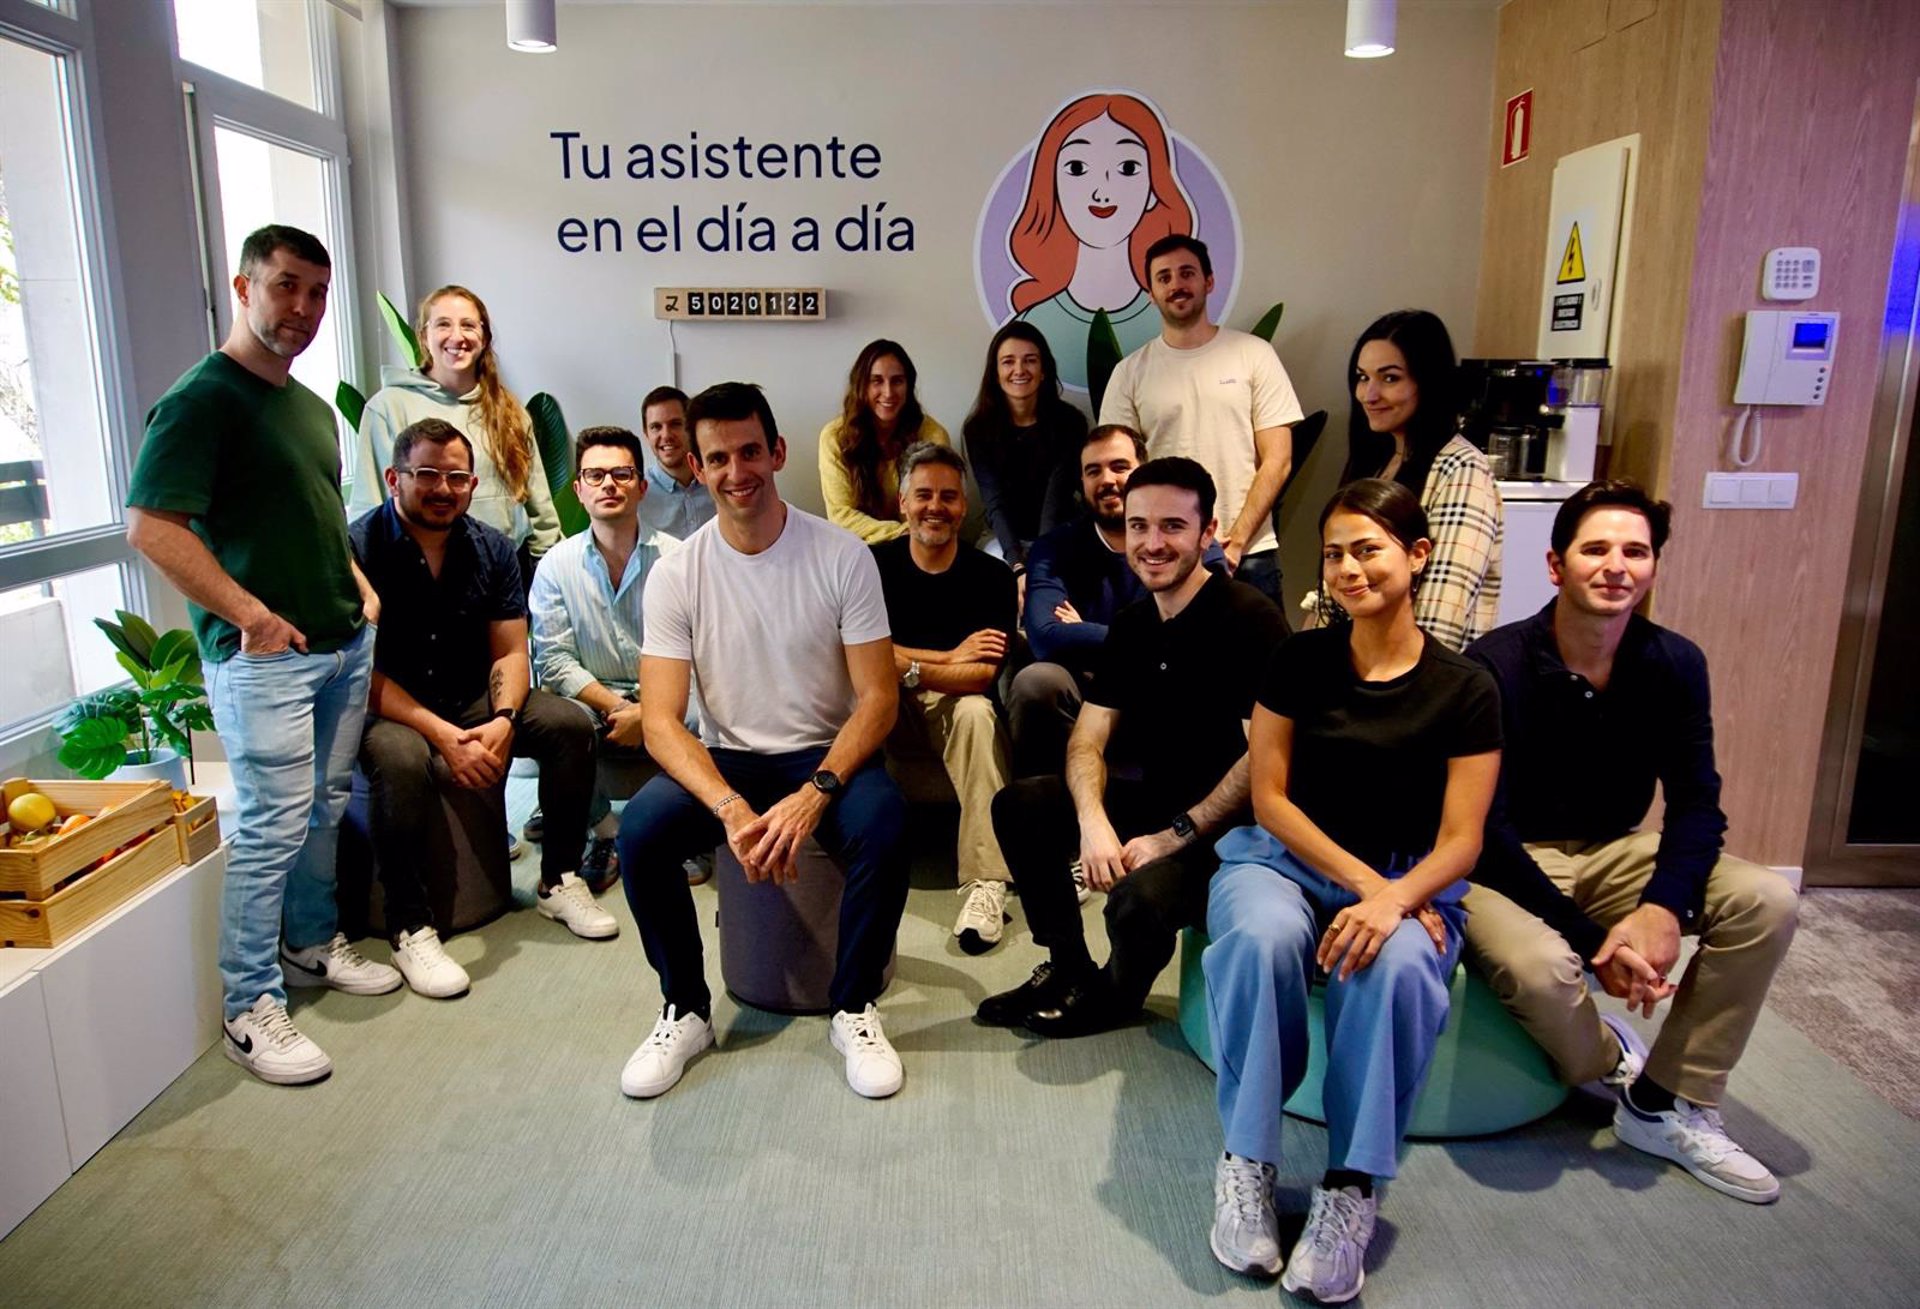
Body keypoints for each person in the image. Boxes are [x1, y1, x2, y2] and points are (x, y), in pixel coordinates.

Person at [1203, 478, 1501, 1302]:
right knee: (1260, 938)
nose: (1347, 568)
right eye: (1334, 553)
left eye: (1367, 549)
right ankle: (1248, 1161)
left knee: (1397, 965)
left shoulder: (1466, 688)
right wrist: (1372, 886)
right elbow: (1270, 798)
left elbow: (1463, 839)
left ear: (1418, 554)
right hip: (1284, 859)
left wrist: (1397, 896)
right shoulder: (1298, 659)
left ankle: (1351, 1185)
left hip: (1409, 875)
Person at [1464, 479, 1800, 1204]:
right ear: (1556, 565)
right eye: (1596, 549)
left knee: (1766, 899)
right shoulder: (1496, 663)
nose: (1616, 565)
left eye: (1635, 551)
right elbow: (1484, 831)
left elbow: (1697, 803)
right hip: (1507, 860)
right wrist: (1594, 941)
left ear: (1652, 567)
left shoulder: (1674, 662)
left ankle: (1665, 1100)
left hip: (1615, 847)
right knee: (1543, 968)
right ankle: (1609, 1055)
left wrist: (1661, 908)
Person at [127, 224, 398, 1086]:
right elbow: (152, 528)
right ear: (244, 288)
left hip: (341, 643)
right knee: (271, 825)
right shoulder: (200, 401)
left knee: (322, 808)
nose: (304, 308)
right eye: (286, 286)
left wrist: (359, 585)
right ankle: (248, 1004)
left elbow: (315, 512)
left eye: (317, 292)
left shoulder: (309, 408)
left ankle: (312, 942)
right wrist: (251, 615)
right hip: (265, 659)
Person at [616, 383, 909, 1101]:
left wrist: (817, 791)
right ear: (696, 466)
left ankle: (852, 1007)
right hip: (729, 759)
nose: (736, 471)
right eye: (717, 458)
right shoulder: (677, 574)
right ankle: (685, 1008)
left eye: (750, 451)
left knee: (887, 826)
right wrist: (727, 806)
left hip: (826, 753)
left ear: (776, 452)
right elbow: (660, 720)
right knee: (641, 832)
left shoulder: (842, 556)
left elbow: (878, 698)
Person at [978, 458, 1286, 1037]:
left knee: (1137, 900)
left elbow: (1263, 758)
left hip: (1227, 834)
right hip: (1155, 803)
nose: (1152, 543)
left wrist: (1173, 837)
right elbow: (1087, 739)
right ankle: (1068, 967)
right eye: (1139, 526)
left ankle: (1115, 996)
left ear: (1208, 532)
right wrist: (1093, 821)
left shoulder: (1250, 619)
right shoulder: (1133, 625)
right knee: (1021, 805)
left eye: (1173, 526)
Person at [351, 418, 612, 1000]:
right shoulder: (359, 548)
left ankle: (560, 879)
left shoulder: (491, 547)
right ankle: (409, 926)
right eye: (427, 474)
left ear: (472, 484)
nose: (443, 489)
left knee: (568, 725)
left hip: (472, 695)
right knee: (399, 760)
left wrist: (504, 720)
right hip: (392, 707)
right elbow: (360, 672)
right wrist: (442, 735)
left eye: (457, 477)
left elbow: (511, 650)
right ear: (394, 478)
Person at [1099, 235, 1303, 609]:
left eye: (1187, 273)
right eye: (1164, 277)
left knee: (1262, 650)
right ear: (1151, 293)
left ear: (1208, 281)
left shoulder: (1254, 354)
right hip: (1167, 556)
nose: (1176, 284)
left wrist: (1236, 542)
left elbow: (1278, 459)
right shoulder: (1129, 373)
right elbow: (1122, 472)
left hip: (1250, 554)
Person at [871, 443, 1018, 954]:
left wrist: (905, 663)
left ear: (963, 506)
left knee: (977, 712)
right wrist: (946, 657)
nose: (935, 506)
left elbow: (980, 676)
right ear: (903, 503)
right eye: (924, 495)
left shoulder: (992, 577)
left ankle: (986, 883)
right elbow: (857, 654)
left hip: (955, 707)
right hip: (886, 704)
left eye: (948, 496)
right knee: (847, 694)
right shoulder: (872, 566)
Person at [529, 424, 684, 893]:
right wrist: (619, 707)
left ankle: (684, 827)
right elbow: (554, 660)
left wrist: (650, 711)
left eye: (621, 474)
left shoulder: (678, 559)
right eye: (595, 476)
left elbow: (698, 654)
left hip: (668, 689)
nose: (609, 485)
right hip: (594, 696)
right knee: (560, 721)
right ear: (579, 489)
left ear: (642, 486)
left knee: (712, 709)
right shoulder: (555, 565)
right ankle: (605, 831)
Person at [1311, 310, 1502, 651]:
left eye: (1389, 378)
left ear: (1428, 382)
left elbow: (1443, 613)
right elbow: (1333, 592)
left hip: (1417, 671)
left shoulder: (1460, 467)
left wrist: (1403, 677)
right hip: (1354, 660)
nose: (1369, 394)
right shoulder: (1377, 461)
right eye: (1362, 377)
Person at [350, 284, 562, 585]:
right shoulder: (388, 408)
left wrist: (550, 576)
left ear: (484, 337)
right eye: (443, 324)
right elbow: (366, 511)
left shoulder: (508, 410)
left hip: (500, 574)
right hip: (416, 575)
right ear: (424, 336)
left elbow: (540, 509)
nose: (457, 336)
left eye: (468, 325)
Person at [1007, 91, 1194, 390]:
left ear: (1153, 189)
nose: (1102, 192)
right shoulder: (1032, 327)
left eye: (1128, 168)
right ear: (1052, 186)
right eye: (1077, 168)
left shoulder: (1169, 326)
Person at [961, 321, 1085, 579]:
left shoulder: (1070, 422)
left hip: (1060, 531)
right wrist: (1017, 563)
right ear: (995, 373)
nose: (1019, 370)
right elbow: (994, 502)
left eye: (1030, 360)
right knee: (994, 574)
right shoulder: (978, 430)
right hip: (1004, 537)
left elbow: (1056, 497)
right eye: (1008, 362)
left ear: (1043, 370)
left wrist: (1041, 560)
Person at [817, 339, 951, 543]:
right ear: (861, 386)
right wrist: (899, 533)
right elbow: (841, 516)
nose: (888, 393)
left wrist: (911, 537)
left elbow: (938, 508)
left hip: (920, 546)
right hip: (858, 548)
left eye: (897, 381)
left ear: (909, 386)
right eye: (877, 381)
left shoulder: (932, 435)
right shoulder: (835, 437)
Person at [635, 385, 716, 540]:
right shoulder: (637, 495)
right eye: (656, 427)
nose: (666, 435)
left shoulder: (718, 483)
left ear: (691, 428)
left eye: (675, 424)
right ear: (646, 434)